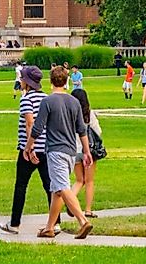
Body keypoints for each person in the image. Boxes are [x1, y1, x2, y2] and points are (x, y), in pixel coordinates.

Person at [24, 66, 93, 239]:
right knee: (56, 190)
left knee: (62, 187)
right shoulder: (74, 101)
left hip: (55, 151)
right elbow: (82, 129)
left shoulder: (48, 101)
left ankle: (83, 221)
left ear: (51, 81)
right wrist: (86, 151)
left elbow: (37, 127)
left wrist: (28, 146)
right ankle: (49, 227)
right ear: (66, 81)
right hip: (71, 151)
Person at [0, 66, 51, 235]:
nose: (20, 81)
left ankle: (15, 223)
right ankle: (55, 221)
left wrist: (30, 148)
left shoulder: (26, 99)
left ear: (27, 82)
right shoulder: (46, 98)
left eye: (22, 79)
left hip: (29, 149)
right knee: (49, 185)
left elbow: (30, 123)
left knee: (21, 185)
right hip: (46, 147)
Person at [70, 89, 101, 219]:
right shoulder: (89, 114)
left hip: (74, 150)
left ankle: (69, 201)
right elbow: (98, 131)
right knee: (89, 181)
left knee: (79, 180)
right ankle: (88, 210)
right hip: (89, 150)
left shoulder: (69, 114)